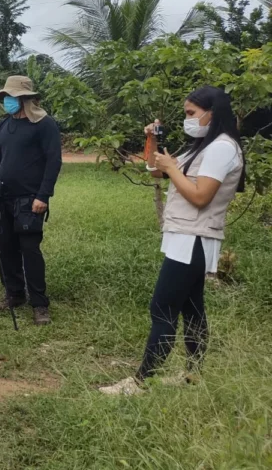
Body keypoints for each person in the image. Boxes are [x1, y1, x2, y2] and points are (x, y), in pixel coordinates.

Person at [101, 86, 244, 396]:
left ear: (212, 113)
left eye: (191, 113)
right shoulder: (201, 146)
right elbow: (155, 170)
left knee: (162, 308)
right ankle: (193, 376)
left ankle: (141, 382)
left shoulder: (222, 148)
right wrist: (153, 138)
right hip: (185, 236)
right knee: (192, 309)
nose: (187, 119)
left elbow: (200, 197)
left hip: (194, 237)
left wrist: (170, 169)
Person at [0, 76, 62, 326]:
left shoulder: (44, 124)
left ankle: (40, 304)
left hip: (30, 200)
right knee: (5, 248)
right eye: (5, 97)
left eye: (11, 97)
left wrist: (43, 196)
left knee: (30, 250)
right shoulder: (4, 126)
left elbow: (54, 162)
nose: (7, 101)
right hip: (3, 199)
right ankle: (15, 294)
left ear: (24, 98)